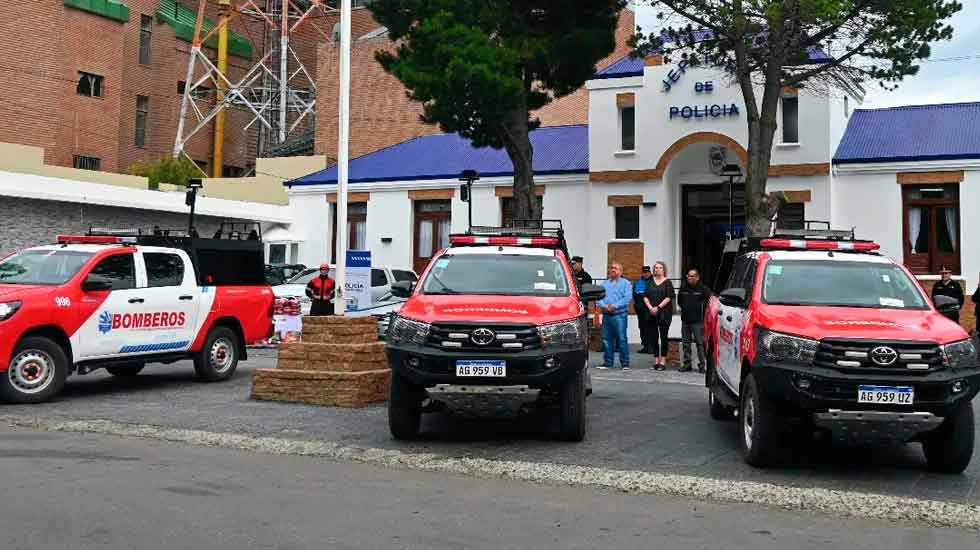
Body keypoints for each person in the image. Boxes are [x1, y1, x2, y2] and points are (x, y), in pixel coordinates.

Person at [596, 263, 632, 370]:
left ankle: (625, 363)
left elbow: (627, 298)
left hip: (619, 315)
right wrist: (604, 306)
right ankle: (608, 363)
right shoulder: (604, 284)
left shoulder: (626, 283)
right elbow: (598, 297)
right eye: (611, 268)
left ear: (621, 271)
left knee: (621, 339)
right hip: (606, 315)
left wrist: (615, 306)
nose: (613, 270)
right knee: (607, 339)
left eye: (615, 268)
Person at [677, 268, 711, 373]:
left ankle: (702, 365)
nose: (690, 278)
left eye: (692, 276)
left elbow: (710, 300)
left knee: (700, 343)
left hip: (698, 321)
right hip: (685, 320)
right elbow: (680, 302)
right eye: (688, 276)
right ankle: (687, 364)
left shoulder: (703, 288)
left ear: (697, 277)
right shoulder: (683, 287)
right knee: (686, 343)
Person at [643, 261, 676, 371]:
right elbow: (645, 296)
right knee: (653, 337)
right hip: (651, 313)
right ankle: (656, 360)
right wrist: (650, 307)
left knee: (663, 337)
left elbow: (669, 297)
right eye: (656, 267)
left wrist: (658, 308)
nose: (658, 269)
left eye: (660, 267)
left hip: (664, 313)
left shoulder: (667, 282)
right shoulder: (649, 282)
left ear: (664, 269)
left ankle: (663, 361)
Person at [633, 266, 653, 354]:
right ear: (642, 273)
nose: (646, 274)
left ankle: (651, 347)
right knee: (642, 327)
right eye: (644, 272)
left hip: (650, 309)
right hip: (640, 309)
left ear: (650, 273)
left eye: (647, 272)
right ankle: (645, 346)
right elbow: (635, 295)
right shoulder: (638, 283)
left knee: (650, 328)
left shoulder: (654, 282)